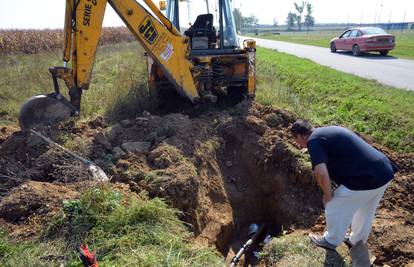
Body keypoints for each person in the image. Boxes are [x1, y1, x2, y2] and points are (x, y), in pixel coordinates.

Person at [290, 119, 398, 251]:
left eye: (295, 140)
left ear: (301, 136)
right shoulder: (325, 132)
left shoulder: (313, 141)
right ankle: (356, 241)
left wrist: (328, 195)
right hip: (384, 171)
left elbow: (321, 173)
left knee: (335, 204)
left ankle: (330, 240)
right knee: (365, 210)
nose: (297, 144)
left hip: (366, 178)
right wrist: (313, 151)